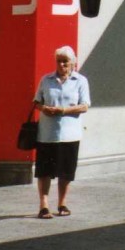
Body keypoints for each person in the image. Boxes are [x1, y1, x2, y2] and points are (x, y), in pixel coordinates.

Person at [33, 45, 91, 219]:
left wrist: (63, 111)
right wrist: (44, 108)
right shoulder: (46, 79)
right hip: (47, 134)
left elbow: (85, 106)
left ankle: (62, 203)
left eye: (65, 61)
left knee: (65, 171)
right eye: (59, 61)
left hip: (70, 134)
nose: (62, 65)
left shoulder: (80, 81)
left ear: (73, 63)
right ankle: (43, 205)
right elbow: (36, 102)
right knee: (44, 171)